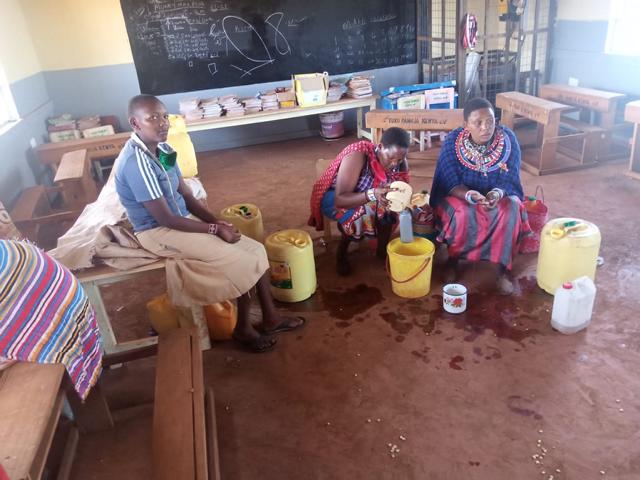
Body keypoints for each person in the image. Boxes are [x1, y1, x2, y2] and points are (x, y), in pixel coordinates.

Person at [114, 94, 304, 352]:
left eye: (164, 116)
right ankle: (243, 329)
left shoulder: (164, 149)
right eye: (153, 118)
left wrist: (216, 221)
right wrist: (214, 229)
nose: (162, 123)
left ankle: (271, 318)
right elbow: (165, 219)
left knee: (257, 250)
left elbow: (186, 195)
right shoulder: (136, 163)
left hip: (182, 220)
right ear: (135, 123)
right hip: (158, 231)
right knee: (241, 260)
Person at [429, 97, 532, 295]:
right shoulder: (452, 142)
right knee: (461, 213)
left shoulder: (508, 140)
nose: (485, 128)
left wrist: (496, 194)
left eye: (490, 121)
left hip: (498, 194)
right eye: (478, 123)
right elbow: (448, 180)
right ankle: (453, 260)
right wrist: (470, 195)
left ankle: (503, 268)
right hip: (463, 195)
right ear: (466, 125)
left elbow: (511, 177)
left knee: (511, 209)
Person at [308, 128, 411, 275]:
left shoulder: (400, 160)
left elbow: (403, 189)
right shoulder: (358, 155)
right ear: (380, 147)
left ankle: (382, 250)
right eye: (390, 158)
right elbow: (340, 200)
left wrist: (400, 200)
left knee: (388, 207)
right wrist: (373, 194)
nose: (394, 163)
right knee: (363, 211)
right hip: (335, 198)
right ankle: (342, 252)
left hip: (369, 196)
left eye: (399, 160)